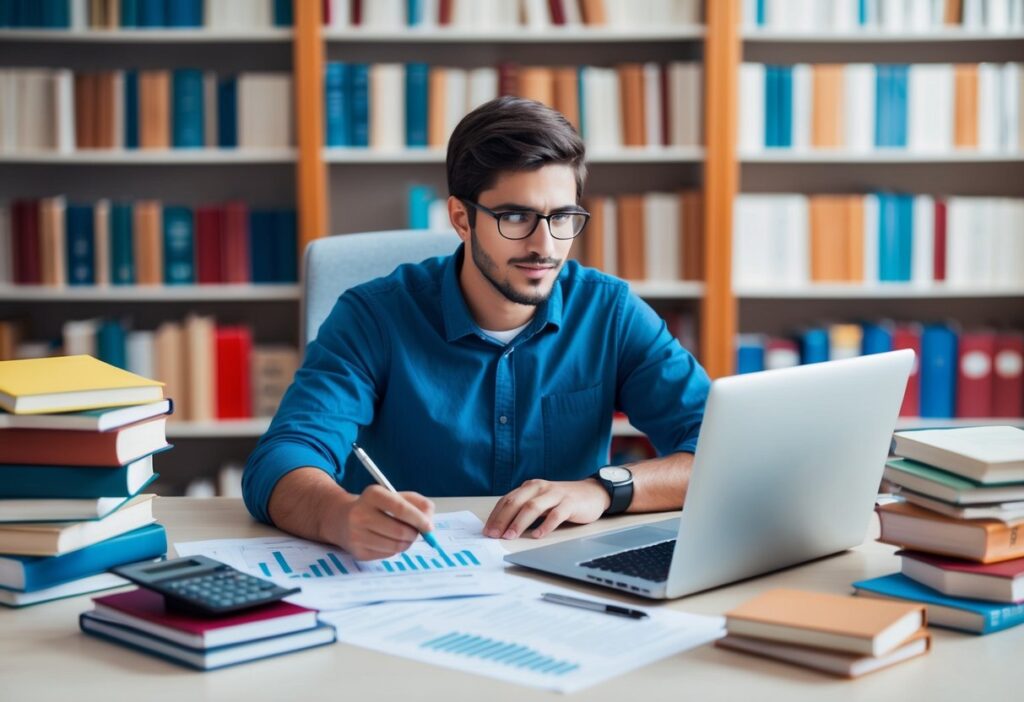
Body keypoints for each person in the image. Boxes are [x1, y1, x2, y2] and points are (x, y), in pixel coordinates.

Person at [242, 96, 710, 561]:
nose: (544, 245)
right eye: (515, 217)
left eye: (562, 217)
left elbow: (719, 449)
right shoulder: (373, 316)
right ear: (462, 219)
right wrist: (341, 517)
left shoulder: (609, 311)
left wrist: (604, 489)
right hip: (408, 576)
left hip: (561, 575)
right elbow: (281, 460)